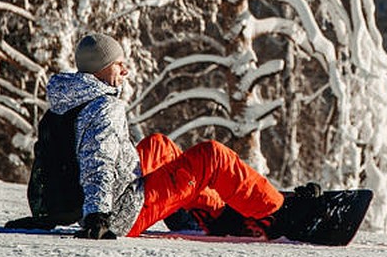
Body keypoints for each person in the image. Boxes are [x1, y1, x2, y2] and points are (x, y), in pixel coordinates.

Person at [36, 32, 307, 240]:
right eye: (119, 64)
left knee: (159, 146)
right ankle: (278, 215)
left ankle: (211, 213)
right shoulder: (104, 107)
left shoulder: (69, 101)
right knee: (212, 156)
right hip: (121, 212)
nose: (125, 70)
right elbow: (98, 162)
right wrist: (97, 215)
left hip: (105, 198)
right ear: (102, 68)